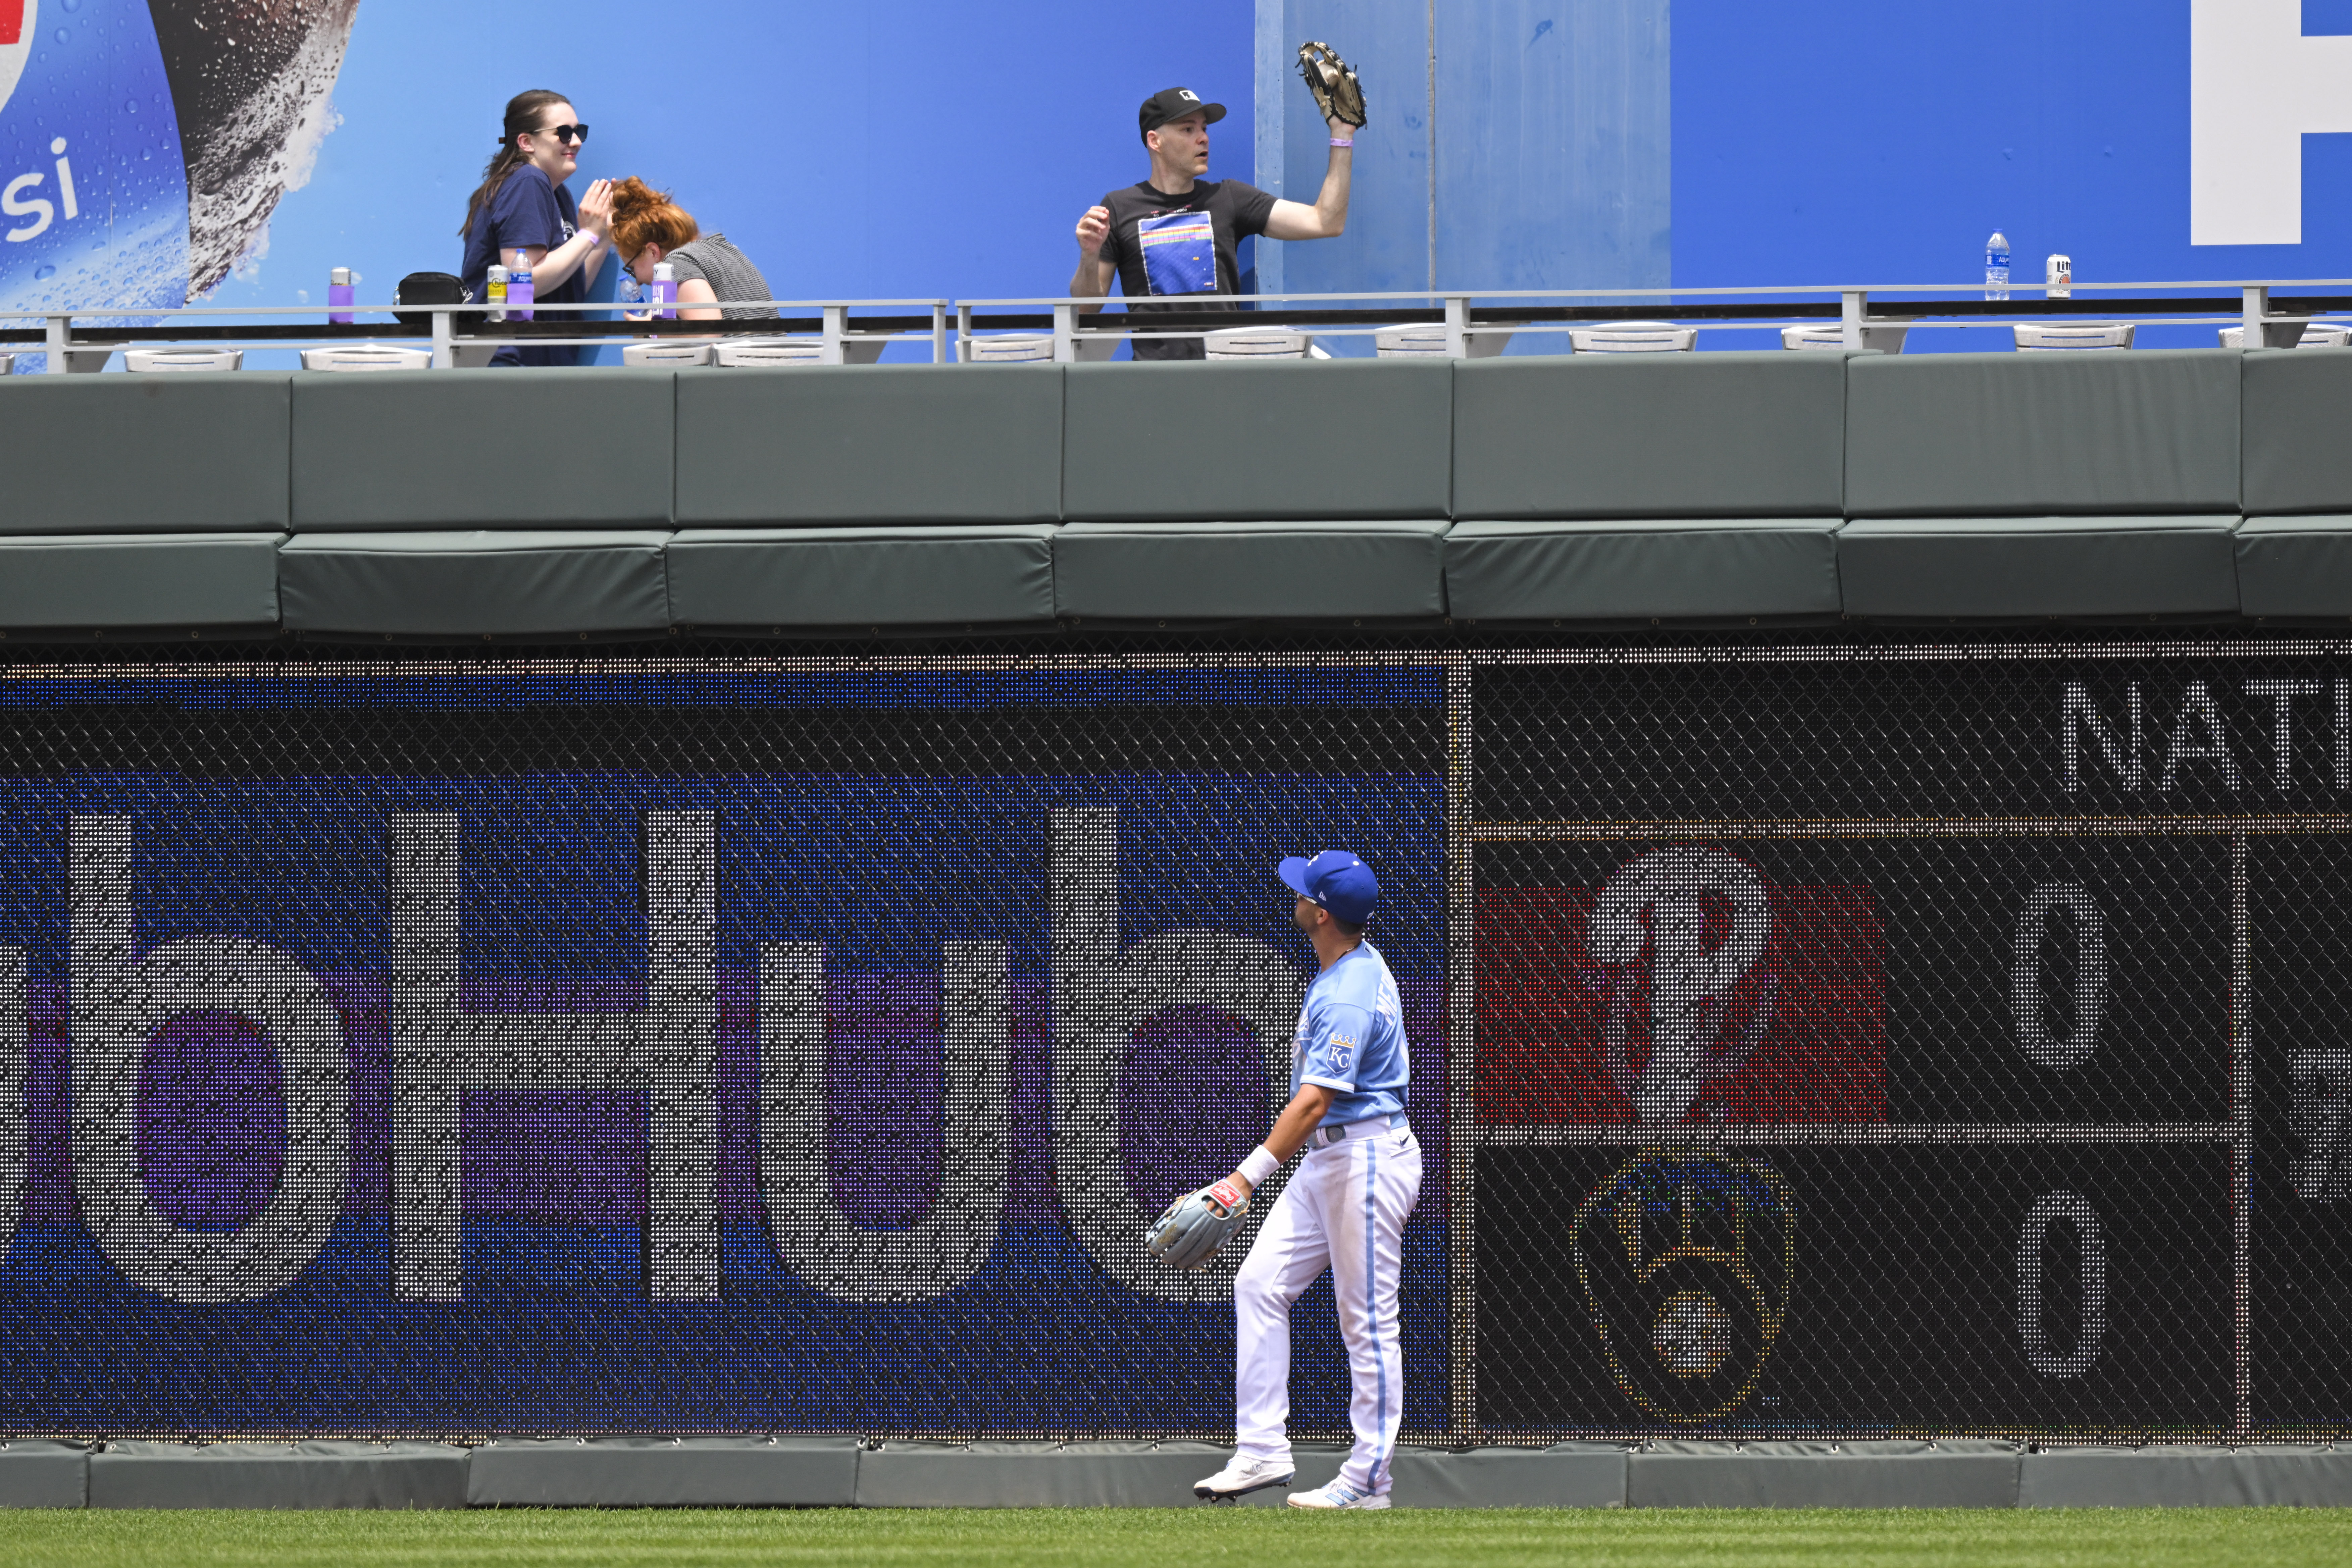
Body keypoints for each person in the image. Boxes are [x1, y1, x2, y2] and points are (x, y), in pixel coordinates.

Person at [1194, 851, 1419, 1510]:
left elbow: (1316, 1100)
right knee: (1258, 1283)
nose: (1290, 895)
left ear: (1320, 913)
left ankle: (1368, 1482)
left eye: (1300, 892)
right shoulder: (1339, 969)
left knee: (1367, 1323)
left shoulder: (1349, 990)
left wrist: (1243, 1179)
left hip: (1366, 1161)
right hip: (1330, 1161)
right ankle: (1261, 1451)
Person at [1069, 86, 1357, 359]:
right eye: (1188, 129)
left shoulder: (1230, 198)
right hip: (1154, 384)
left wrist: (1342, 134)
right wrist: (1090, 255)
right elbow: (1086, 308)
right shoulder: (1118, 208)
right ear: (1155, 141)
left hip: (1225, 378)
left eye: (1204, 129)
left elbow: (1325, 222)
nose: (1204, 138)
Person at [459, 91, 614, 367]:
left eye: (580, 132)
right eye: (564, 133)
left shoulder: (559, 194)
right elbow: (525, 285)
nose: (576, 141)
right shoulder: (528, 181)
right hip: (509, 361)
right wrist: (587, 234)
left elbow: (569, 286)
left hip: (544, 362)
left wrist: (601, 235)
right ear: (526, 142)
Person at [607, 178, 780, 320]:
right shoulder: (723, 249)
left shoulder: (678, 263)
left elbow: (706, 333)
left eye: (632, 269)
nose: (637, 282)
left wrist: (650, 329)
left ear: (653, 252)